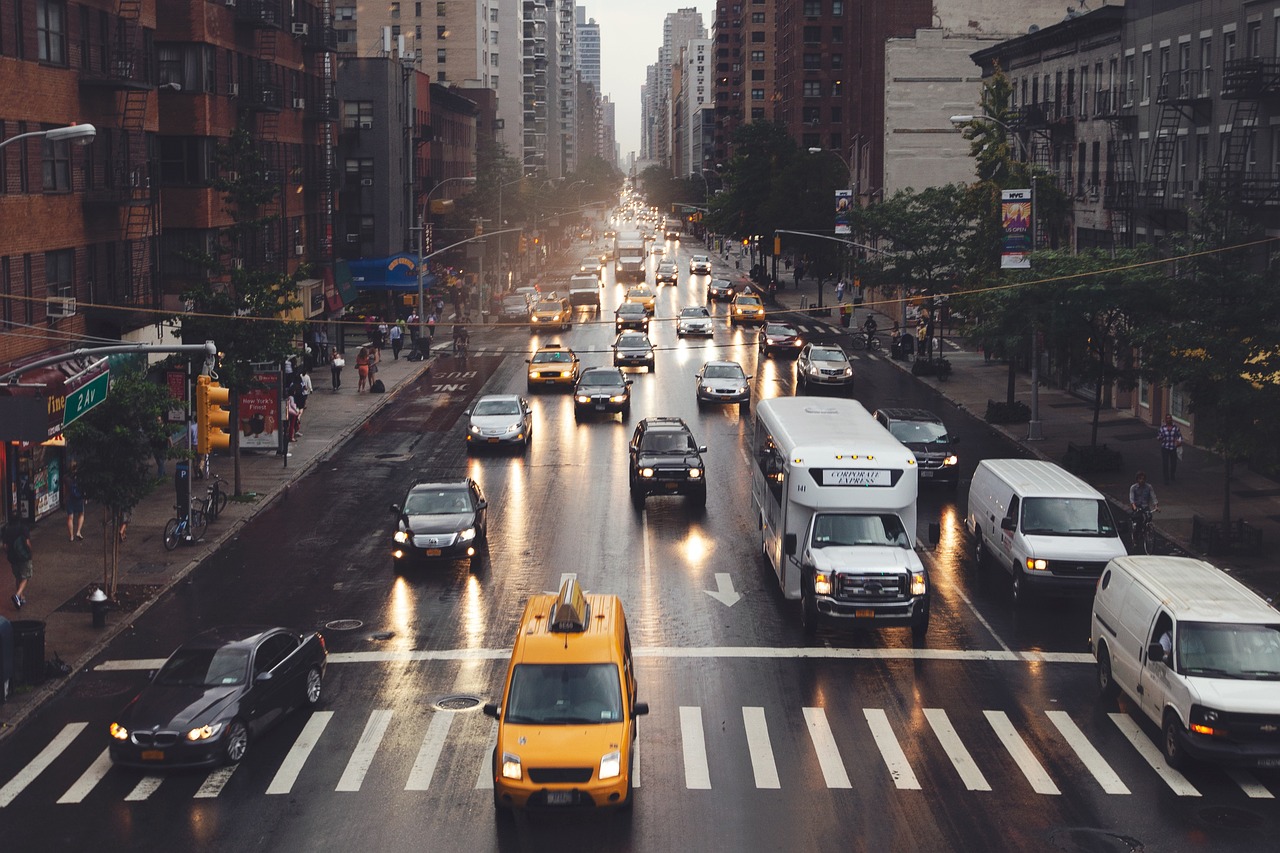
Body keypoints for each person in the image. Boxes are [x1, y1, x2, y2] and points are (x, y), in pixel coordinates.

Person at [5, 519, 33, 610]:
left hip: (13, 558)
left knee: (18, 577)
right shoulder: (23, 528)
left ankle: (21, 597)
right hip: (23, 557)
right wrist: (30, 552)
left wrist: (9, 554)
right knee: (25, 577)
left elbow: (5, 546)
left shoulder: (7, 530)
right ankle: (17, 595)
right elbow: (27, 543)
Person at [1157, 414, 1183, 484]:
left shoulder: (1176, 428)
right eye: (1167, 418)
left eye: (1170, 418)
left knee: (1173, 463)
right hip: (1165, 447)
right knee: (1165, 463)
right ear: (1165, 420)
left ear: (1172, 419)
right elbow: (1159, 436)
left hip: (1173, 448)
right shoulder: (1162, 428)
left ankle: (1172, 475)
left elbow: (1180, 436)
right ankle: (1166, 478)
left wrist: (1179, 441)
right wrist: (1159, 438)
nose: (1169, 420)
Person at [66, 464, 86, 541]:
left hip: (69, 498)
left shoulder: (66, 478)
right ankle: (78, 531)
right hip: (79, 498)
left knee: (70, 517)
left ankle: (71, 536)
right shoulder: (80, 478)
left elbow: (65, 489)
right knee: (81, 514)